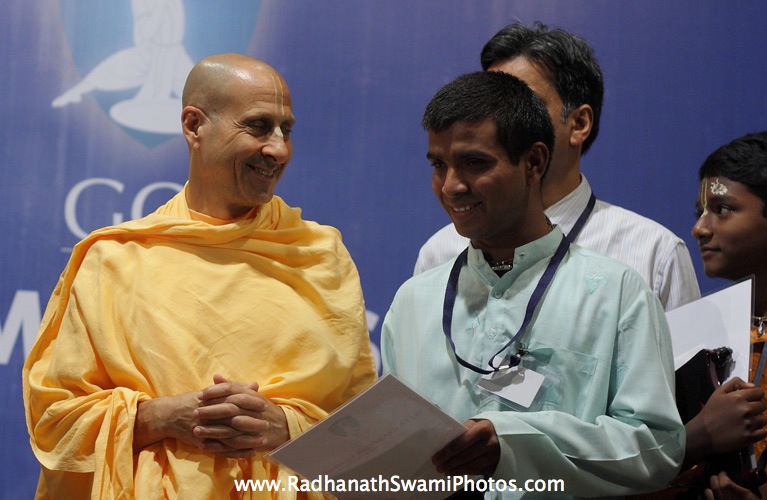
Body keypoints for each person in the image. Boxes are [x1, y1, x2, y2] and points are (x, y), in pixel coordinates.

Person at [24, 53, 377, 499]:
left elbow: (364, 434)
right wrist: (160, 417)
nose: (279, 149)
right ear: (194, 126)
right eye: (258, 126)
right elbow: (56, 423)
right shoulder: (114, 259)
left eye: (286, 129)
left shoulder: (319, 254)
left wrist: (285, 426)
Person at [381, 71, 684, 499]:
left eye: (475, 163)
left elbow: (656, 448)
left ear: (534, 163)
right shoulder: (414, 301)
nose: (450, 186)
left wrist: (514, 441)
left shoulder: (616, 291)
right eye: (438, 165)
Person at [413, 22, 700, 312]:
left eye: (522, 103)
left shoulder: (654, 256)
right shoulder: (440, 253)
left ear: (579, 123)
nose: (497, 122)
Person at [689, 130, 767, 499]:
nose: (700, 228)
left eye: (722, 209)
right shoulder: (690, 333)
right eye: (700, 212)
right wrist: (698, 436)